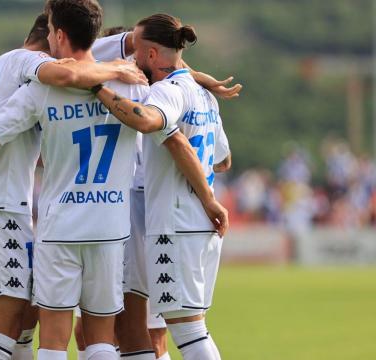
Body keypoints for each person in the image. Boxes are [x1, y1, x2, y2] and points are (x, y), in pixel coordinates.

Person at [0, 1, 156, 358]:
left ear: (58, 35)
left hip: (57, 226)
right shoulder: (132, 86)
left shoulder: (36, 88)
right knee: (101, 338)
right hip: (109, 227)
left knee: (50, 338)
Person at [92, 13, 231, 360]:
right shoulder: (204, 95)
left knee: (187, 331)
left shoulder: (165, 92)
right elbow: (222, 160)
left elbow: (149, 121)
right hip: (196, 224)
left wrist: (98, 88)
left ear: (152, 55)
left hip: (176, 222)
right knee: (183, 327)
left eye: (135, 50)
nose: (132, 59)